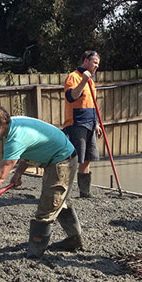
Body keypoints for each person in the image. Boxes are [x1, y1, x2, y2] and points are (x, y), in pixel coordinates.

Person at [0, 105, 82, 259]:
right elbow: (30, 148)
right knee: (58, 202)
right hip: (58, 158)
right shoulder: (15, 124)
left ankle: (34, 254)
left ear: (3, 124)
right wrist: (18, 172)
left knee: (47, 209)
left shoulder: (15, 138)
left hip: (62, 160)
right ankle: (74, 240)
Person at [63, 50, 102, 197]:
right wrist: (84, 80)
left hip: (90, 123)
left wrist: (96, 122)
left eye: (98, 63)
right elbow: (72, 97)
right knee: (75, 158)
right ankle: (64, 192)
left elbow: (92, 103)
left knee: (87, 158)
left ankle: (84, 192)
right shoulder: (73, 77)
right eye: (95, 62)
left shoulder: (91, 80)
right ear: (85, 61)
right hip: (76, 122)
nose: (96, 66)